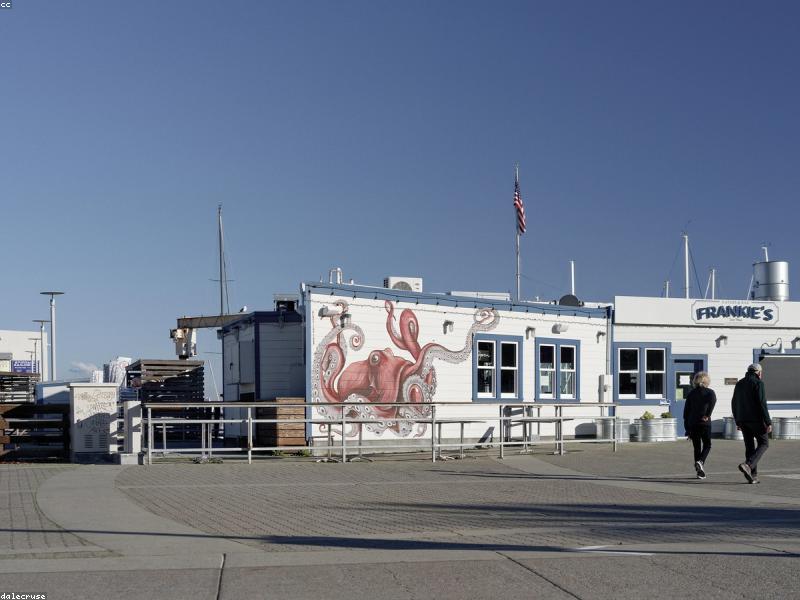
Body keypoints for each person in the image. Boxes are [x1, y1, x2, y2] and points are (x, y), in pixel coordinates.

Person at [731, 363, 772, 484]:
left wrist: (738, 420)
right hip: (756, 420)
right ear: (758, 372)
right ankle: (748, 465)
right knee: (764, 443)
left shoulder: (739, 384)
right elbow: (762, 403)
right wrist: (768, 422)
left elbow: (734, 403)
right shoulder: (758, 383)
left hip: (743, 420)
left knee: (749, 447)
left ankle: (753, 475)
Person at [683, 371, 716, 479]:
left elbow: (686, 412)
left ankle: (699, 471)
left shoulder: (691, 393)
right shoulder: (710, 392)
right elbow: (712, 402)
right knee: (707, 444)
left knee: (697, 447)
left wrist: (687, 428)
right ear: (706, 380)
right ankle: (701, 462)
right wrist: (707, 414)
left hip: (693, 423)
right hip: (704, 423)